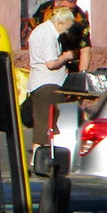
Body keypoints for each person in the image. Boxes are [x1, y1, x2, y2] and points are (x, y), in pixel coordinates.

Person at [27, 8, 77, 149]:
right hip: (48, 84)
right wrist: (66, 57)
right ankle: (39, 158)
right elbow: (51, 63)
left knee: (44, 123)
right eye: (67, 27)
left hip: (42, 83)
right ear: (60, 23)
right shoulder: (48, 34)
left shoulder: (41, 29)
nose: (67, 31)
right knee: (45, 125)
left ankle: (40, 156)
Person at [24, 0, 92, 72]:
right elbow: (33, 35)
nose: (68, 12)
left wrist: (83, 73)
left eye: (71, 9)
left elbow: (85, 48)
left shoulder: (80, 18)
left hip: (71, 63)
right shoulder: (44, 10)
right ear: (56, 3)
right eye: (64, 7)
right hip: (44, 65)